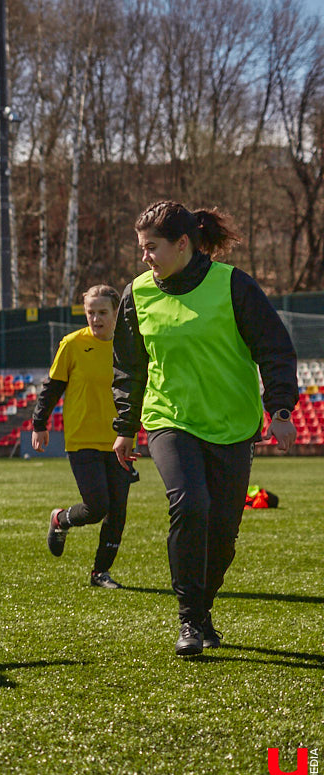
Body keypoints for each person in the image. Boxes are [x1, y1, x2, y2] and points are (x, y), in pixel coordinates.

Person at [114, 201, 298, 656]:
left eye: (151, 248)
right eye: (141, 249)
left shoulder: (234, 285)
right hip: (169, 419)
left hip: (232, 424)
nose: (145, 258)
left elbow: (274, 348)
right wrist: (125, 425)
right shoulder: (136, 295)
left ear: (183, 244)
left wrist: (280, 409)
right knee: (190, 505)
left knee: (223, 531)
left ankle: (204, 607)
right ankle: (189, 621)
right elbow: (129, 368)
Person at [33, 286, 135, 589]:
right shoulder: (72, 344)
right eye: (91, 312)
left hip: (121, 440)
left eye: (102, 312)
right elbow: (51, 388)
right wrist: (40, 423)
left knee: (117, 513)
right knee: (97, 507)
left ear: (116, 313)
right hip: (82, 439)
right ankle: (60, 519)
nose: (96, 318)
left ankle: (99, 573)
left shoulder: (129, 345)